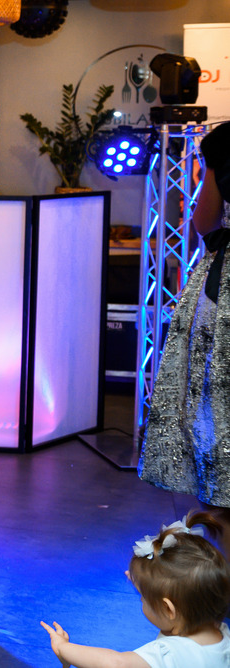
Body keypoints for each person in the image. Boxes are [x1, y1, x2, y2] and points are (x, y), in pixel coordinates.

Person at [140, 121, 230, 555]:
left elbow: (205, 220)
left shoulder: (225, 144)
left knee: (216, 411)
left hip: (224, 294)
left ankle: (223, 568)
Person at [41, 512, 230, 667]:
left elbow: (116, 664)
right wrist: (146, 584)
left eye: (143, 597)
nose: (141, 599)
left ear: (168, 609)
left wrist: (63, 648)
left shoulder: (168, 654)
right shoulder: (221, 633)